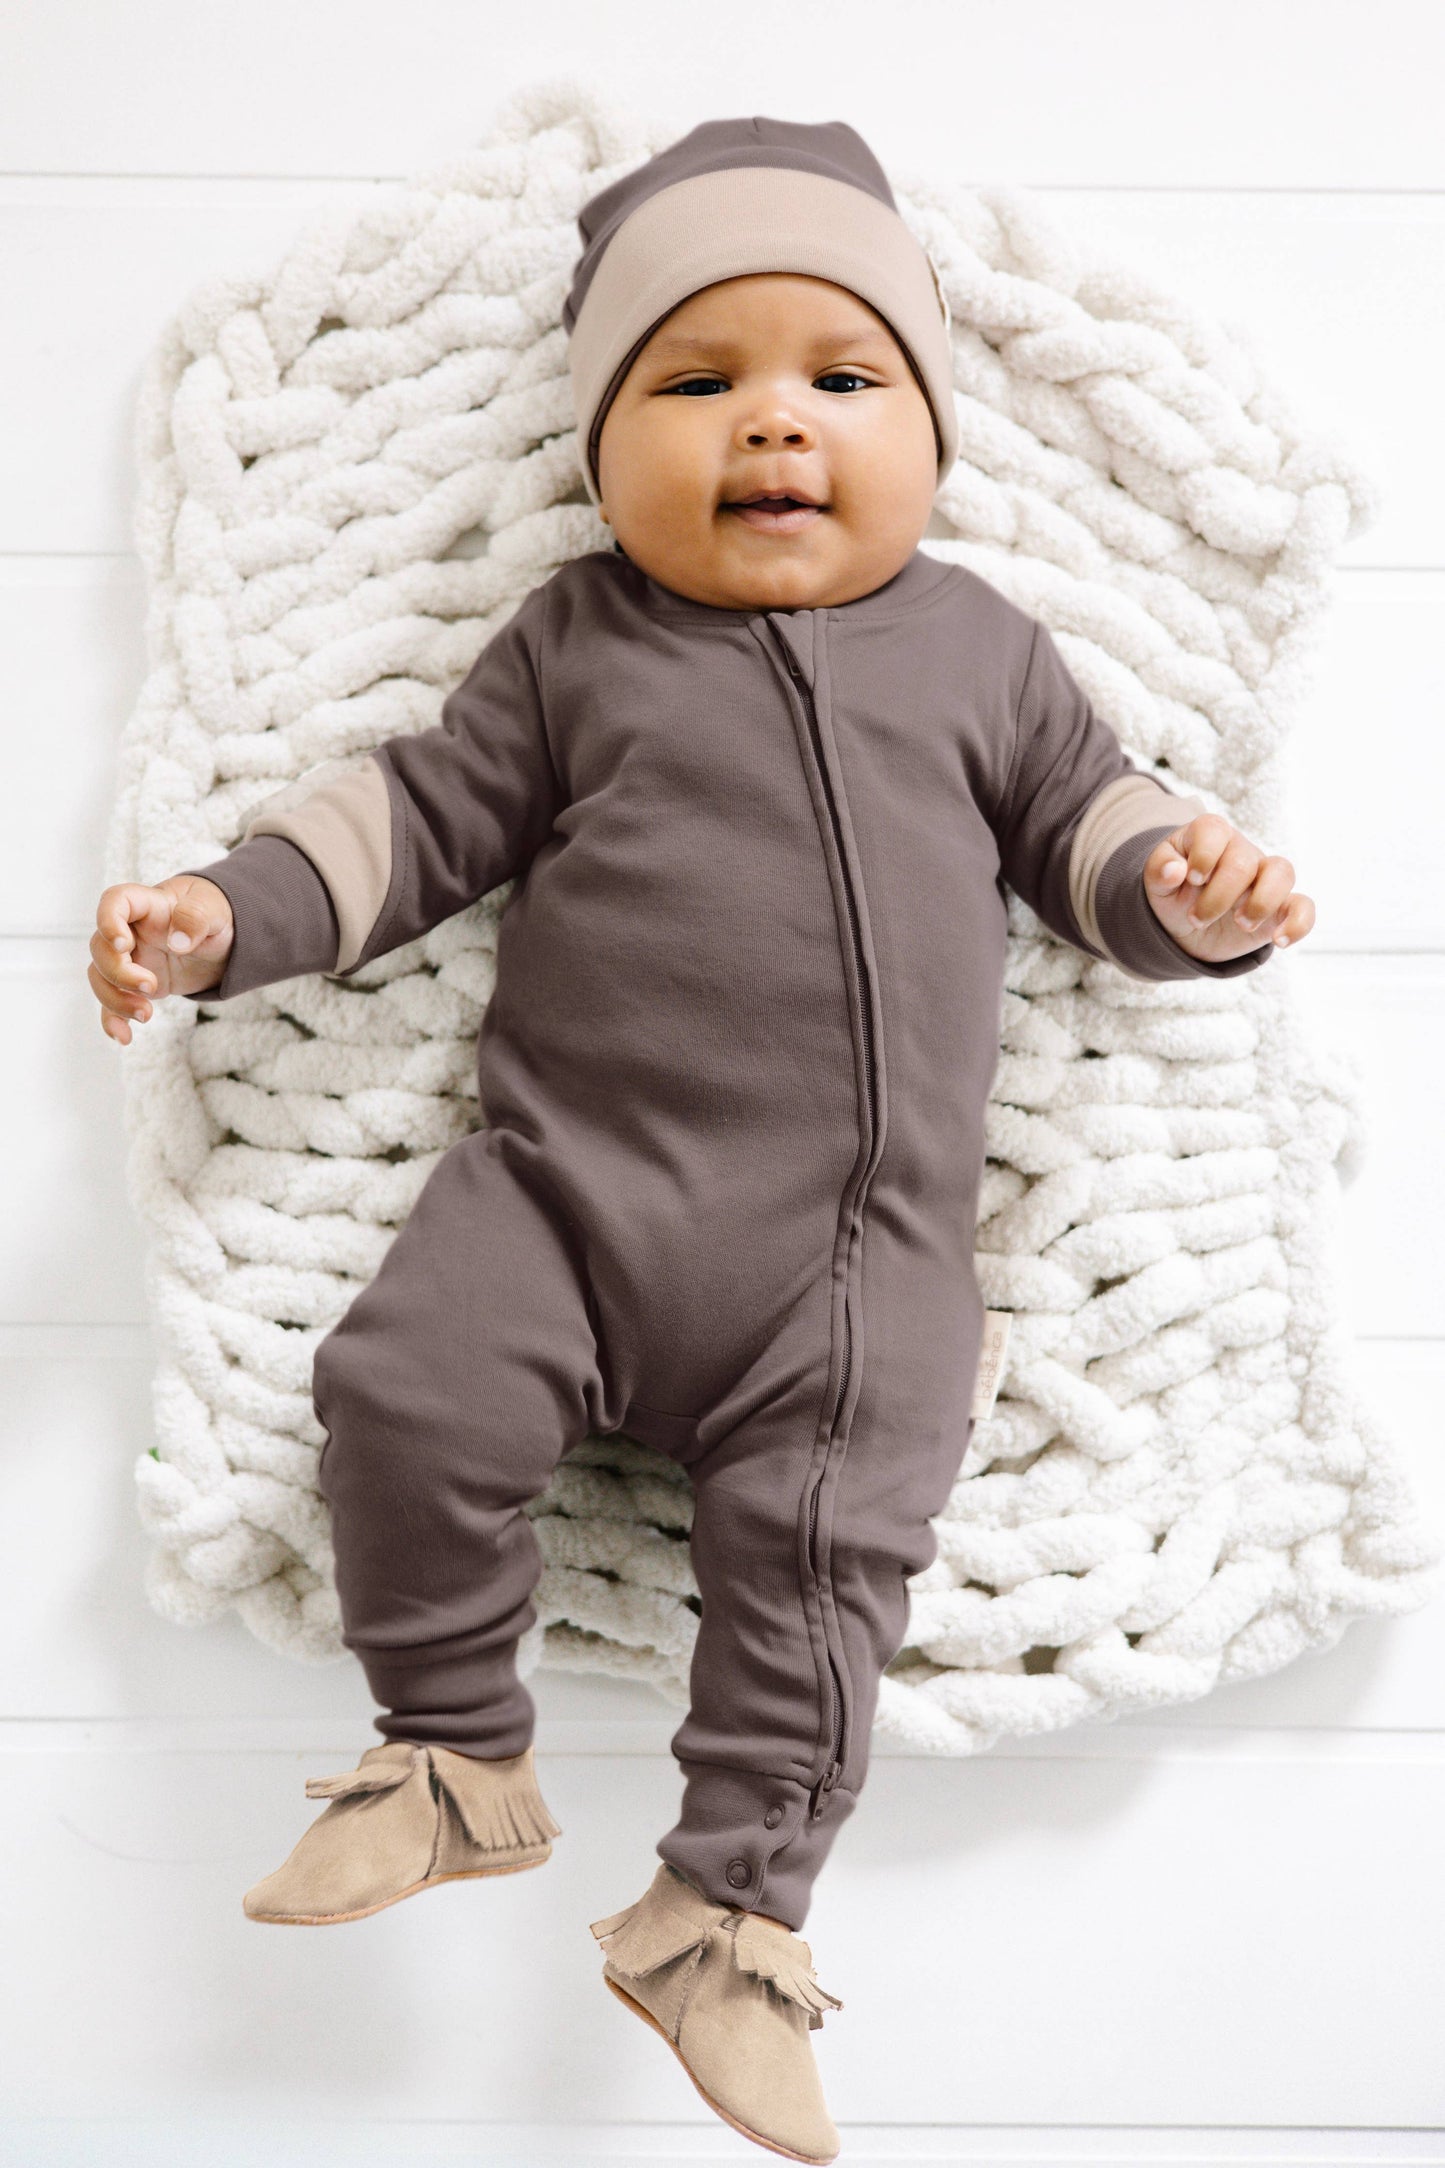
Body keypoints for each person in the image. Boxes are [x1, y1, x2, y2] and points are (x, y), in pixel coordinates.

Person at [89, 117, 1313, 2165]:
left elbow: (1095, 837)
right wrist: (220, 912)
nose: (772, 426)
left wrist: (1191, 888)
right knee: (397, 1383)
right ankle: (451, 1751)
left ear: (927, 436)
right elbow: (405, 824)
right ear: (600, 450)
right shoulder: (575, 646)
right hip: (559, 1200)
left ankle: (729, 1918)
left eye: (841, 381)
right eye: (697, 380)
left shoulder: (984, 649)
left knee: (829, 1571)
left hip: (854, 1268)